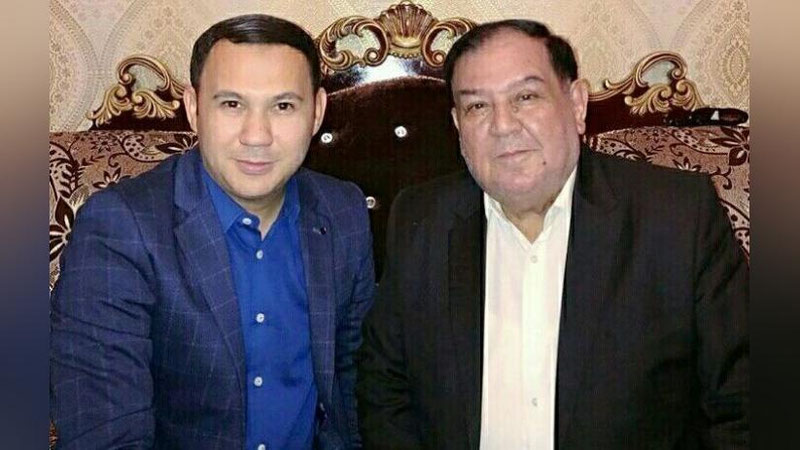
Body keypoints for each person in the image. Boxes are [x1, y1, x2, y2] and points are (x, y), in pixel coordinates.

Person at [356, 19, 749, 449]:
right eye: (477, 107)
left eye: (525, 97)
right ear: (458, 126)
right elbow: (384, 387)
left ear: (576, 105)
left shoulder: (676, 218)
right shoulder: (421, 221)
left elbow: (742, 404)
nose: (503, 125)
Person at [50, 14, 374, 449]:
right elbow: (106, 433)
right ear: (193, 108)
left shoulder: (343, 211)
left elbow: (355, 386)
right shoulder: (120, 228)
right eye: (232, 104)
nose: (257, 136)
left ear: (316, 112)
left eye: (283, 106)